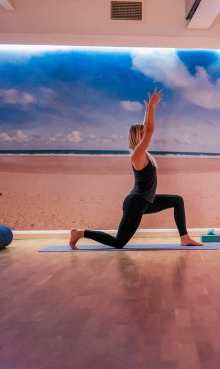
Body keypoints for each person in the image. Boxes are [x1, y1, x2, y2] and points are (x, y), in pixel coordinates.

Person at [70, 88, 203, 249]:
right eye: (142, 134)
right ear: (138, 137)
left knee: (177, 200)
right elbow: (149, 130)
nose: (145, 136)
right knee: (118, 242)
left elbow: (146, 127)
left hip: (147, 201)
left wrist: (148, 110)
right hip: (136, 204)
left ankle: (185, 238)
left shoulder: (143, 153)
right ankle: (80, 233)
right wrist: (152, 109)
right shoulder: (137, 154)